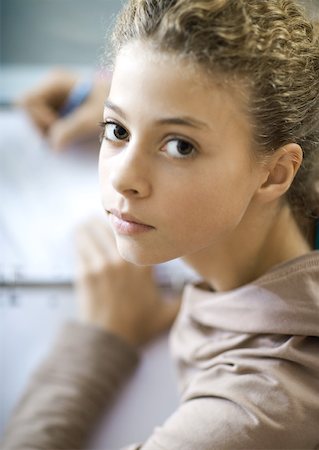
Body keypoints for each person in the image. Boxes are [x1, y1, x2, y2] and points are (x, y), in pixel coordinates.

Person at [2, 0, 319, 449]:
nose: (123, 178)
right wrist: (127, 94)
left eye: (181, 147)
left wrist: (98, 344)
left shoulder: (252, 414)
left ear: (275, 173)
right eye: (116, 130)